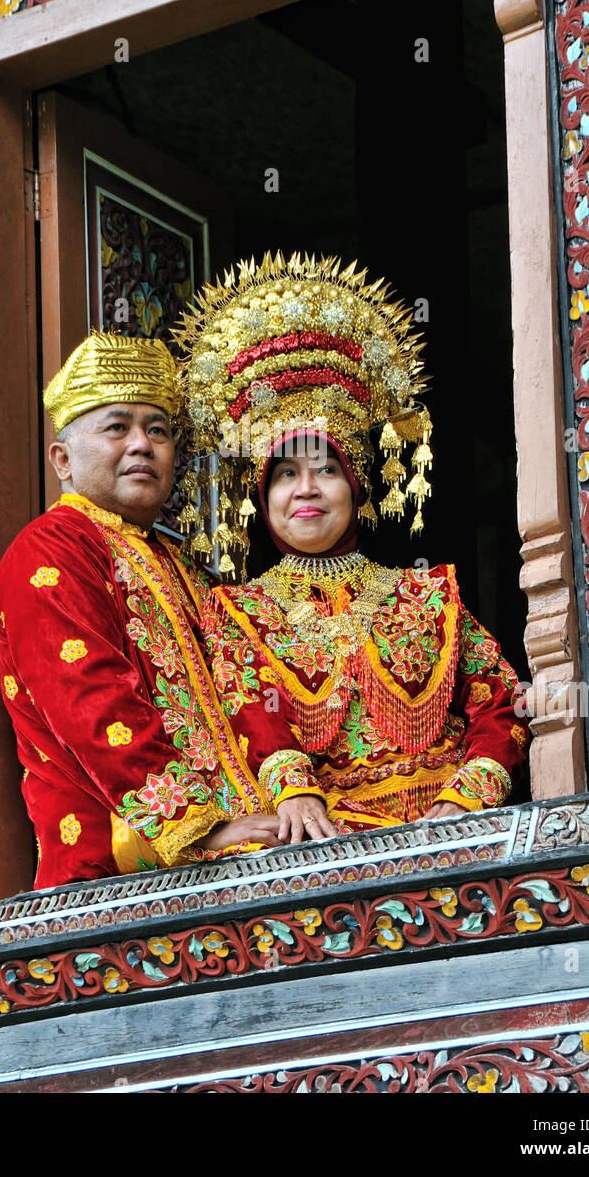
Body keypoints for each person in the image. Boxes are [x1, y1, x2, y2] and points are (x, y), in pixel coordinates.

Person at [175, 253, 528, 829]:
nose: (305, 489)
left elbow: (500, 701)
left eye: (326, 470)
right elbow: (251, 718)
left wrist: (468, 795)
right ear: (262, 501)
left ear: (358, 488)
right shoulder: (238, 613)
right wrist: (293, 792)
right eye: (285, 474)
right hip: (322, 836)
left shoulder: (428, 595)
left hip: (449, 830)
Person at [0, 331, 334, 889]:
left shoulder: (183, 568)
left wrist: (294, 788)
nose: (142, 444)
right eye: (117, 427)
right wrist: (200, 827)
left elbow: (244, 681)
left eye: (158, 430)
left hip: (253, 838)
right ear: (62, 460)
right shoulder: (49, 549)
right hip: (117, 870)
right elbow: (91, 701)